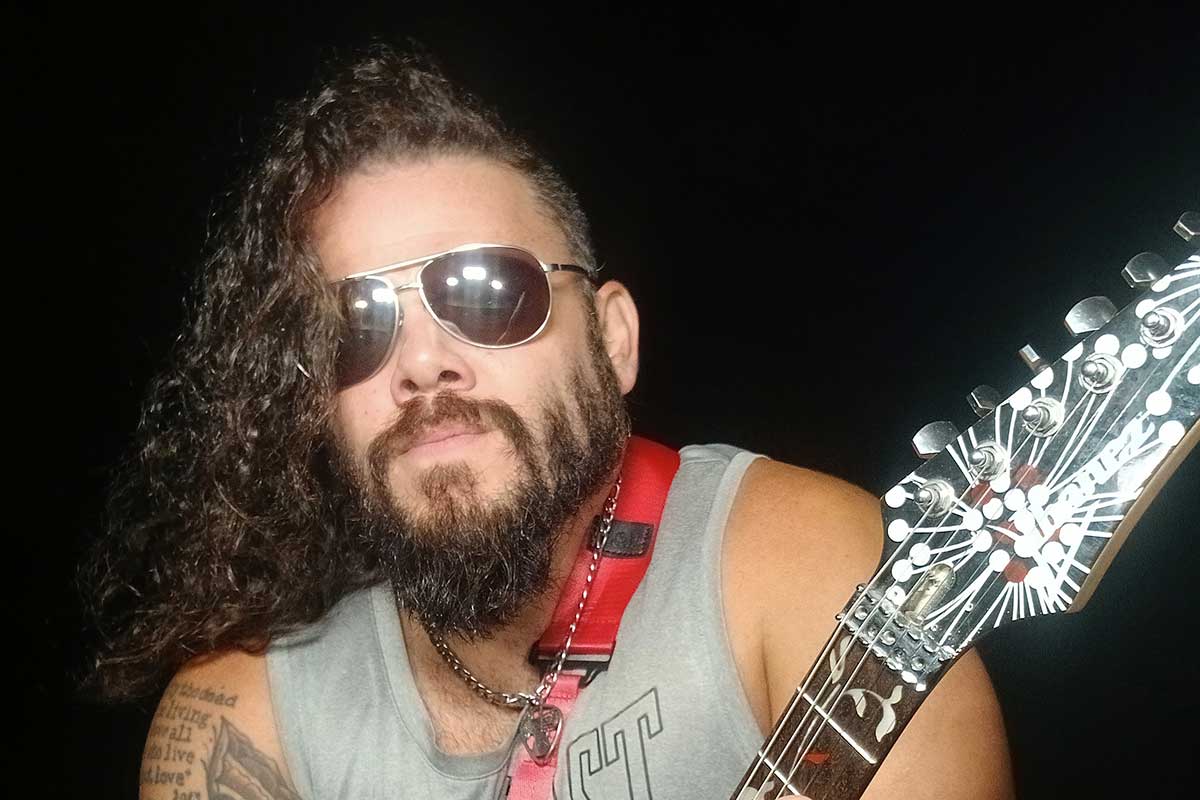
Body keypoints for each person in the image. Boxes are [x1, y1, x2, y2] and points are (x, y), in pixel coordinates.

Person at [81, 43, 1012, 800]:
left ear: (613, 340)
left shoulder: (821, 576)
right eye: (353, 329)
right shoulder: (244, 722)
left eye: (488, 293)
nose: (420, 362)